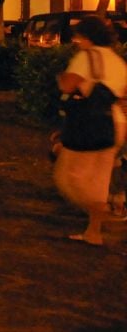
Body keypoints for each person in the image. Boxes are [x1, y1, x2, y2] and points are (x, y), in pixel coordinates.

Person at [54, 16, 127, 246]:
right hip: (115, 125)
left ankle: (106, 209)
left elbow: (67, 85)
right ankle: (94, 232)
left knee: (66, 177)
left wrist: (60, 77)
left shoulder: (86, 57)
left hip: (88, 124)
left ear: (87, 36)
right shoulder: (118, 62)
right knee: (99, 180)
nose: (76, 40)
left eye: (79, 36)